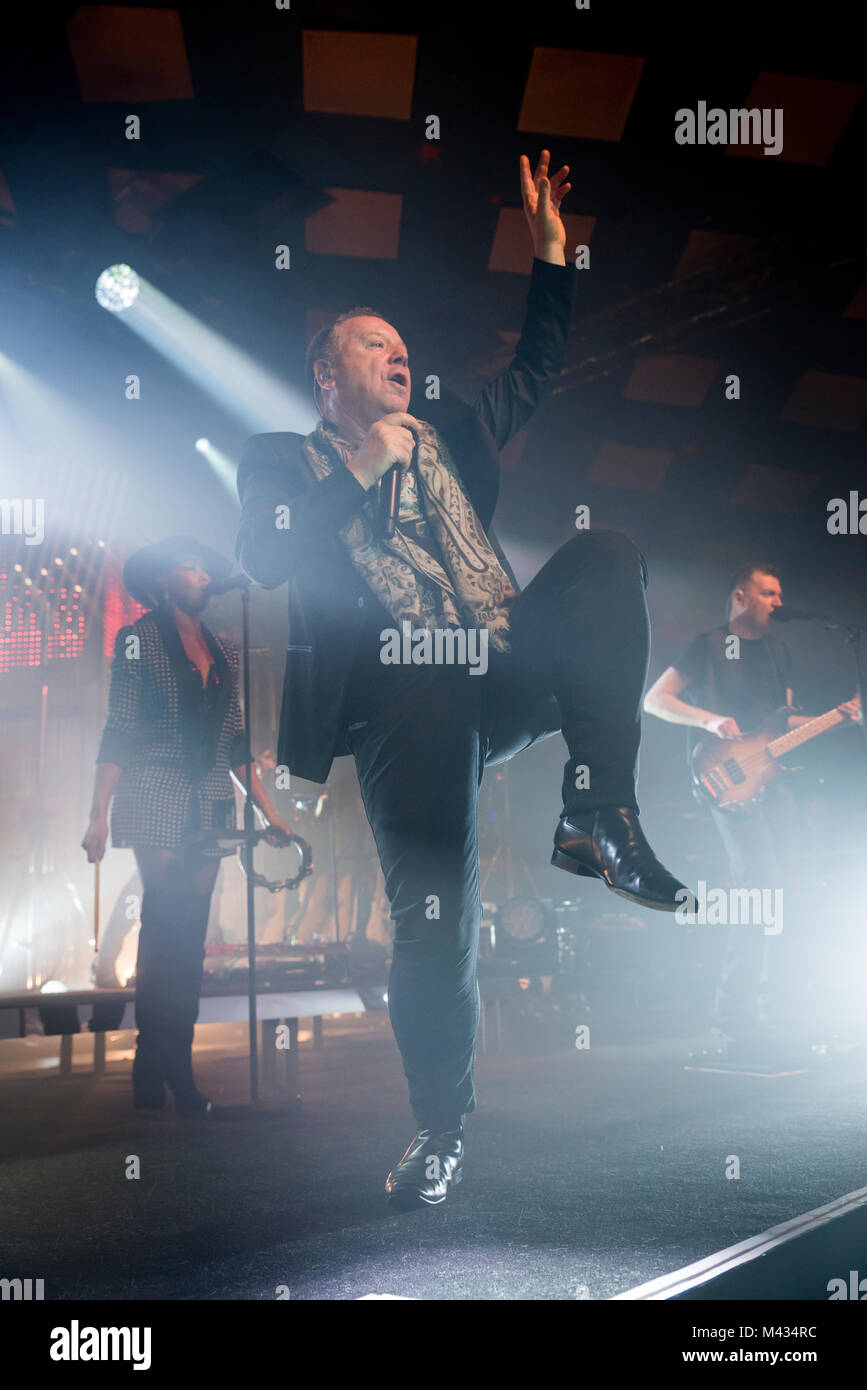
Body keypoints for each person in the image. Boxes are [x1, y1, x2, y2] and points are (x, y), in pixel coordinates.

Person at [236, 150, 689, 1206]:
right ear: (328, 376)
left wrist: (553, 254)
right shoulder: (282, 459)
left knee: (608, 558)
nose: (398, 357)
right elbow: (270, 554)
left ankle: (600, 818)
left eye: (402, 347)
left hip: (495, 661)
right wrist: (362, 464)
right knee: (436, 921)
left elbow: (534, 366)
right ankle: (442, 1129)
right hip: (402, 694)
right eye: (373, 346)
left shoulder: (450, 436)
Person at [82, 536, 293, 1112]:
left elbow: (237, 746)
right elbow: (119, 728)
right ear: (163, 581)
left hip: (209, 801)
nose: (201, 575)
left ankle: (176, 1065)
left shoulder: (225, 650)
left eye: (205, 568)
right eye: (189, 567)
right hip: (153, 790)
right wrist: (97, 812)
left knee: (190, 942)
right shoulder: (138, 639)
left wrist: (272, 815)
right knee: (164, 927)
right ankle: (156, 1067)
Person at [643, 562, 861, 1055]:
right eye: (769, 593)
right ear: (741, 597)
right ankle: (733, 1018)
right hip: (725, 779)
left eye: (782, 594)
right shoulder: (708, 645)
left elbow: (782, 725)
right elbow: (656, 700)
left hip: (772, 781)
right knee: (759, 889)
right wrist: (711, 720)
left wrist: (842, 717)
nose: (779, 602)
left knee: (791, 891)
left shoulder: (780, 651)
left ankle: (779, 1010)